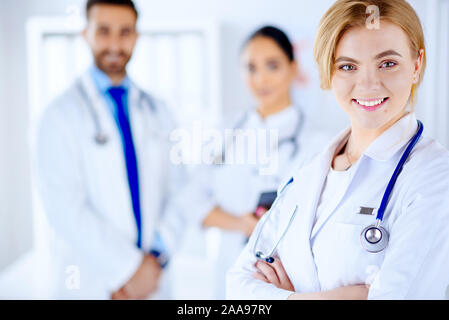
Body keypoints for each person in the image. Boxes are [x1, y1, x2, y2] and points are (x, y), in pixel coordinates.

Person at [227, 0, 449, 300]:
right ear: (329, 73)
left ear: (416, 65)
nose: (368, 83)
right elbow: (238, 286)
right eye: (347, 66)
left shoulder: (435, 176)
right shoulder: (308, 171)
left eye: (387, 63)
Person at [35, 0, 185, 299]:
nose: (115, 43)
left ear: (137, 36)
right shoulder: (60, 115)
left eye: (125, 31)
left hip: (153, 279)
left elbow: (180, 190)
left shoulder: (159, 111)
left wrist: (155, 258)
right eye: (104, 31)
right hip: (96, 283)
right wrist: (128, 270)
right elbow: (64, 208)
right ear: (85, 34)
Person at [173, 26, 330, 299]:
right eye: (251, 68)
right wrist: (242, 224)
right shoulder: (225, 133)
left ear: (293, 68)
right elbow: (191, 200)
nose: (261, 79)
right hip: (228, 271)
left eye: (272, 66)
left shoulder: (318, 143)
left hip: (286, 279)